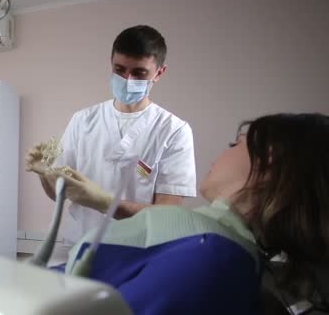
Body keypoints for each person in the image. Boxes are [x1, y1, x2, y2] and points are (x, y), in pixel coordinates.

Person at [49, 113, 329, 314]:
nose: (223, 152)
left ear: (270, 158)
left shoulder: (213, 257)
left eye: (236, 144)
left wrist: (105, 201)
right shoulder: (211, 246)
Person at [27, 25, 197, 244]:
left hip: (137, 249)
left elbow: (166, 215)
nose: (127, 79)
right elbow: (58, 194)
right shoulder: (82, 120)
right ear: (111, 64)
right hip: (81, 242)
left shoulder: (174, 130)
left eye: (138, 73)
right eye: (119, 70)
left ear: (159, 73)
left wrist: (104, 202)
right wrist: (44, 173)